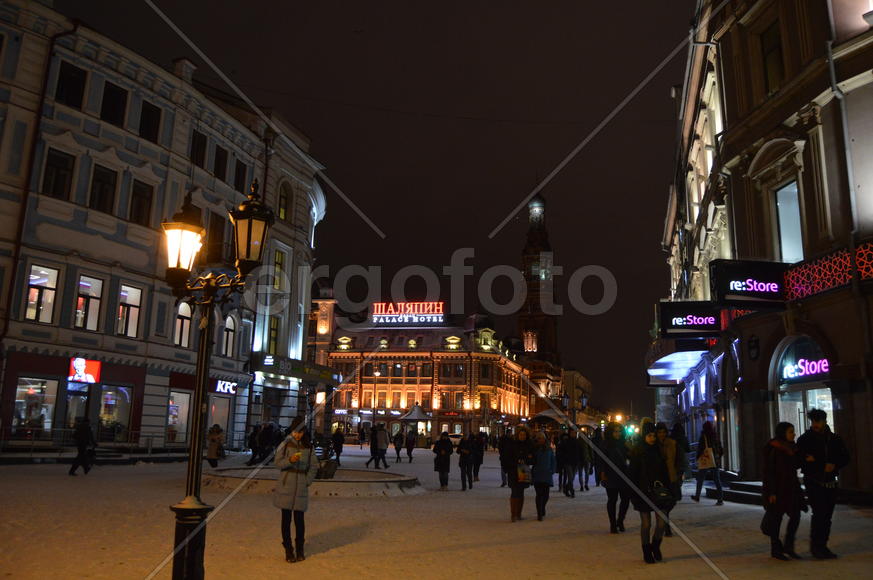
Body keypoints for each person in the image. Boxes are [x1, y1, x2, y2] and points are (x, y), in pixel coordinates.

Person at [796, 409, 850, 559]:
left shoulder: (834, 439)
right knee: (819, 514)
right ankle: (816, 547)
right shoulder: (805, 439)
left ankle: (823, 546)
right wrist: (817, 464)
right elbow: (799, 460)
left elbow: (845, 457)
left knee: (827, 516)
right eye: (813, 421)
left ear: (825, 421)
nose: (815, 424)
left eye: (817, 421)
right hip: (814, 481)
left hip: (831, 482)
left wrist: (834, 465)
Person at [273, 417, 320, 563]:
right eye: (295, 432)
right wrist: (290, 461)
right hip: (286, 485)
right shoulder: (285, 444)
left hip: (300, 486)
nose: (298, 435)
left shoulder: (308, 446)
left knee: (299, 520)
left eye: (300, 432)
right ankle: (288, 549)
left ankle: (300, 549)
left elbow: (314, 466)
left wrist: (307, 480)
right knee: (285, 520)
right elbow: (277, 462)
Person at [629, 422, 675, 563]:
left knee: (661, 523)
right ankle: (646, 551)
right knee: (646, 524)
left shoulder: (658, 450)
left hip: (659, 491)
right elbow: (632, 474)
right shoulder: (637, 452)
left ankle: (655, 546)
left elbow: (665, 472)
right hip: (643, 492)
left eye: (654, 436)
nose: (652, 438)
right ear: (644, 436)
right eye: (649, 436)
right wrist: (634, 493)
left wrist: (668, 488)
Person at [761, 421, 805, 561]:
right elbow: (769, 472)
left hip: (791, 488)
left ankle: (789, 546)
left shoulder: (792, 448)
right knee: (776, 519)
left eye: (793, 431)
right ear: (783, 433)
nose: (794, 434)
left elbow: (795, 465)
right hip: (778, 489)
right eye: (791, 432)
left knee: (795, 515)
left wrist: (804, 459)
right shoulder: (773, 448)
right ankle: (776, 548)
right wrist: (772, 492)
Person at [600, 421, 631, 534]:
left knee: (626, 500)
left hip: (624, 474)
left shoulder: (624, 443)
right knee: (612, 500)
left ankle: (620, 520)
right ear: (611, 432)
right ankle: (613, 524)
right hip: (611, 475)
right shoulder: (606, 444)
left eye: (619, 431)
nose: (618, 434)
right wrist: (603, 472)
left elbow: (631, 456)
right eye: (615, 431)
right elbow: (602, 460)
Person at [501, 425, 535, 522]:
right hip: (513, 471)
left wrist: (527, 460)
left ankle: (519, 513)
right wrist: (512, 465)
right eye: (521, 434)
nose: (522, 436)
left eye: (524, 435)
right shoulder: (512, 444)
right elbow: (505, 458)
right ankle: (513, 514)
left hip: (524, 470)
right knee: (514, 491)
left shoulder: (529, 445)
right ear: (517, 435)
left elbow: (533, 458)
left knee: (521, 492)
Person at [655, 422, 681, 537]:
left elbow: (679, 459)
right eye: (659, 432)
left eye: (663, 432)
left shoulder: (672, 443)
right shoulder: (654, 445)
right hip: (660, 478)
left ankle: (664, 521)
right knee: (663, 502)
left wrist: (679, 473)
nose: (661, 434)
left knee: (673, 500)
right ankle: (666, 527)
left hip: (671, 476)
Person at [691, 421, 724, 505]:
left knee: (700, 478)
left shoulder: (704, 436)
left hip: (705, 460)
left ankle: (697, 496)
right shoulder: (715, 436)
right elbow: (721, 448)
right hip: (714, 461)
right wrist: (717, 457)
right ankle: (720, 499)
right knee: (717, 479)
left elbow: (701, 448)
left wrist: (698, 457)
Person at [531, 431, 556, 521]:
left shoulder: (549, 449)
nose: (540, 440)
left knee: (546, 495)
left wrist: (552, 470)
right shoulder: (534, 449)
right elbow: (531, 460)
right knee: (539, 494)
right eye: (539, 438)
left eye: (542, 438)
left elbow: (553, 460)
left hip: (547, 474)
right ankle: (539, 513)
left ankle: (542, 507)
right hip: (537, 474)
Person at [556, 431, 579, 498]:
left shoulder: (577, 441)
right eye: (572, 433)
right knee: (570, 477)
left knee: (572, 478)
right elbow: (561, 452)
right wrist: (564, 458)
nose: (573, 434)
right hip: (568, 462)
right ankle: (572, 491)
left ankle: (566, 488)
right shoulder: (566, 441)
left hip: (575, 462)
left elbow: (578, 452)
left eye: (574, 433)